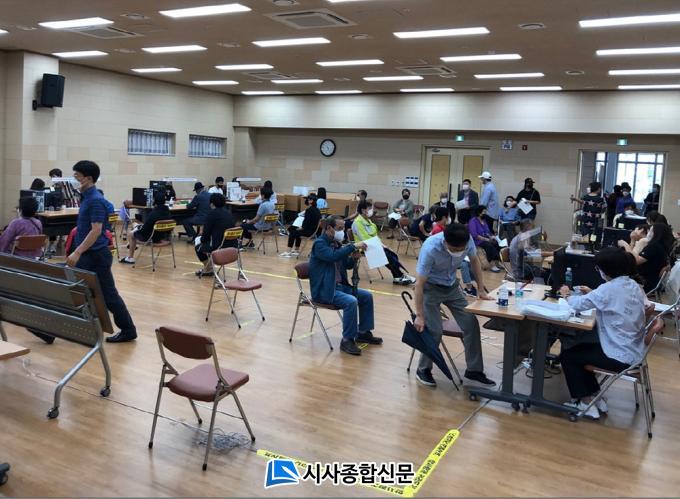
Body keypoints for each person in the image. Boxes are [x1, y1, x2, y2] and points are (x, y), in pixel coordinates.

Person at [559, 248, 647, 419]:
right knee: (582, 350)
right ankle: (594, 397)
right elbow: (610, 300)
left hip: (620, 356)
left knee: (569, 355)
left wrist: (566, 294)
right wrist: (593, 293)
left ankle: (585, 402)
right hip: (633, 351)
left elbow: (577, 304)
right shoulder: (632, 285)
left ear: (606, 270)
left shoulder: (609, 289)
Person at [413, 223, 496, 387]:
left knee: (471, 324)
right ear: (445, 241)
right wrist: (420, 316)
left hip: (451, 286)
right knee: (434, 330)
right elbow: (419, 284)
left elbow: (475, 261)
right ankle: (423, 369)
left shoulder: (467, 239)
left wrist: (481, 289)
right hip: (430, 288)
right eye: (454, 249)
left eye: (461, 249)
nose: (458, 252)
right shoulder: (430, 248)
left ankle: (474, 370)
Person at [65, 160, 137, 343]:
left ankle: (128, 330)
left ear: (88, 178)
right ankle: (54, 330)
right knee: (75, 289)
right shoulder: (87, 198)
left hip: (95, 256)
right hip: (90, 254)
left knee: (108, 295)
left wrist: (77, 252)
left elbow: (96, 230)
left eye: (77, 176)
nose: (74, 179)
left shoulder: (95, 200)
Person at [309, 216, 381, 356]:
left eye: (343, 228)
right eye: (340, 228)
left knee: (366, 296)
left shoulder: (336, 244)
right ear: (329, 228)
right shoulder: (319, 244)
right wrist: (352, 246)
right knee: (351, 301)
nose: (342, 231)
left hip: (340, 286)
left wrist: (353, 259)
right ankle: (347, 340)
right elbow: (332, 257)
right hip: (325, 290)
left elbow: (345, 265)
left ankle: (363, 332)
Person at [352, 201, 416, 285]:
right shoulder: (357, 223)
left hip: (374, 245)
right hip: (364, 247)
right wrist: (380, 247)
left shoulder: (369, 221)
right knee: (386, 255)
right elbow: (365, 239)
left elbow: (375, 236)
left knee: (392, 254)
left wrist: (383, 245)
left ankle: (397, 276)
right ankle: (399, 276)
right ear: (364, 210)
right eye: (370, 208)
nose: (372, 210)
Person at [119, 191, 171, 265]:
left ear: (154, 200)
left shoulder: (154, 213)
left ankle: (130, 258)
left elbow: (144, 231)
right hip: (162, 236)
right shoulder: (168, 212)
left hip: (152, 238)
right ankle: (132, 244)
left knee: (130, 234)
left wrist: (138, 229)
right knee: (134, 224)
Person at [194, 193, 236, 277]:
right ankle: (209, 267)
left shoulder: (212, 214)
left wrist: (201, 240)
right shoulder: (229, 213)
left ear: (212, 204)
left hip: (219, 246)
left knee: (198, 246)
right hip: (232, 245)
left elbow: (206, 234)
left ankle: (209, 269)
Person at [623, 223, 673, 293]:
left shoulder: (654, 246)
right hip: (650, 281)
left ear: (656, 233)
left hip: (643, 283)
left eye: (650, 231)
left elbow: (635, 260)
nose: (648, 233)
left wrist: (626, 245)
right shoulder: (661, 246)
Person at [280, 193, 321, 258]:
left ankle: (288, 251)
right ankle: (296, 250)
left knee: (292, 233)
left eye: (308, 199)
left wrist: (301, 228)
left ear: (311, 201)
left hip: (308, 231)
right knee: (294, 229)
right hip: (313, 230)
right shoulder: (317, 210)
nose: (307, 200)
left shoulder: (309, 210)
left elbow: (306, 222)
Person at [468, 205, 502, 273]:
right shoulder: (473, 221)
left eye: (485, 211)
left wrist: (491, 237)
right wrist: (486, 239)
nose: (485, 213)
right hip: (477, 241)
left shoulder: (484, 221)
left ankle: (497, 262)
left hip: (485, 239)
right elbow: (474, 235)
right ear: (479, 213)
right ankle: (492, 264)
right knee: (489, 245)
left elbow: (487, 232)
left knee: (497, 243)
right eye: (484, 212)